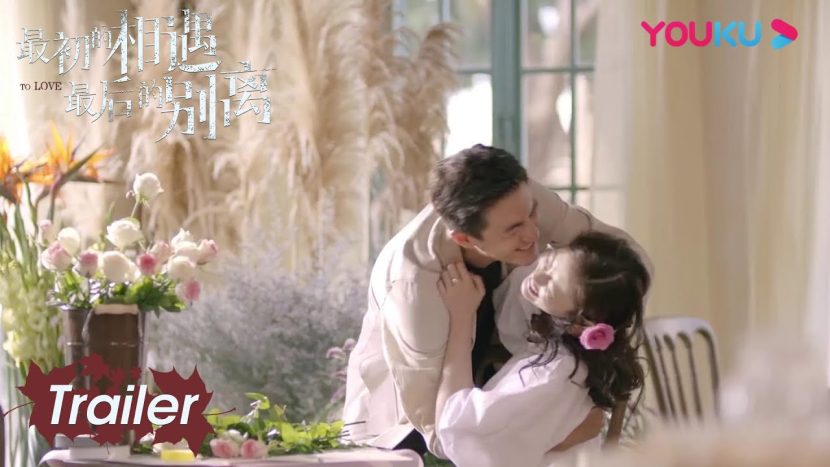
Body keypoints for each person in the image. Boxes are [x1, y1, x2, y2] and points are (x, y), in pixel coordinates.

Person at [343, 145, 651, 457]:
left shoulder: (515, 198)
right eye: (514, 229)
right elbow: (444, 437)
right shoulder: (414, 289)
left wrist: (595, 354)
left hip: (497, 409)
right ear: (464, 239)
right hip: (408, 437)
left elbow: (630, 267)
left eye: (532, 213)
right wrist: (561, 435)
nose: (533, 232)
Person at [435, 231, 650, 466]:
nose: (537, 276)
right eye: (549, 262)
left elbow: (460, 431)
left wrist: (461, 317)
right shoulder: (562, 346)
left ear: (579, 325)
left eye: (551, 286)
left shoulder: (553, 373)